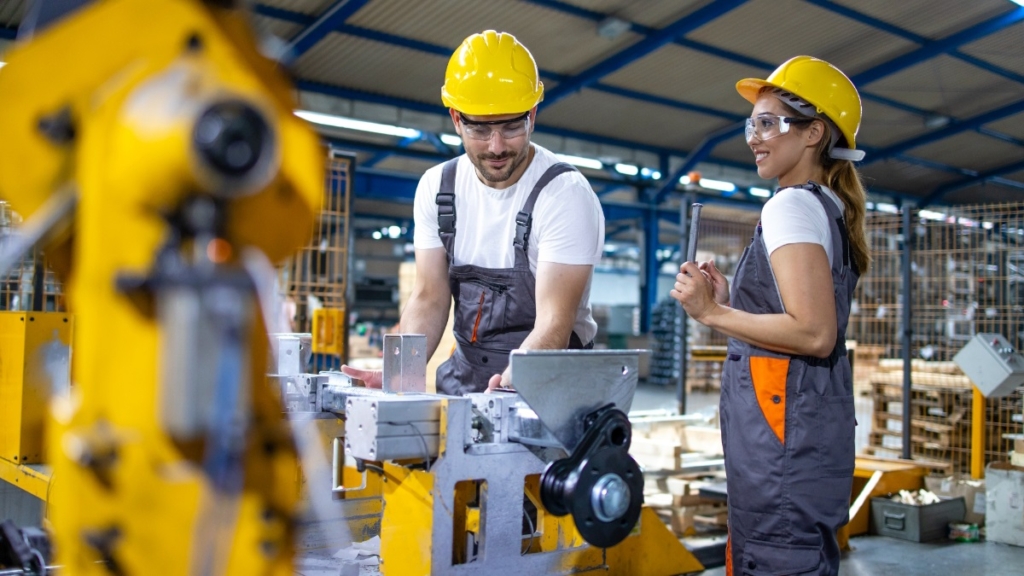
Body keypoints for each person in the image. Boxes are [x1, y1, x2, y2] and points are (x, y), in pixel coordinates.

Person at [670, 55, 871, 576]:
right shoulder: (826, 205)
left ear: (813, 133)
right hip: (803, 425)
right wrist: (735, 298)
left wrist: (713, 313)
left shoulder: (788, 207)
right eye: (750, 124)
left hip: (781, 427)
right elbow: (801, 316)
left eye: (768, 123)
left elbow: (813, 332)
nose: (754, 137)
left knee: (776, 554)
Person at [342, 30, 604, 395]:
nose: (496, 146)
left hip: (548, 381)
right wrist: (398, 373)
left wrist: (508, 392)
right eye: (480, 128)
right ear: (455, 119)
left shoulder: (564, 195)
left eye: (512, 126)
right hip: (464, 380)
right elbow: (429, 297)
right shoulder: (437, 188)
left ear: (532, 115)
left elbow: (553, 324)